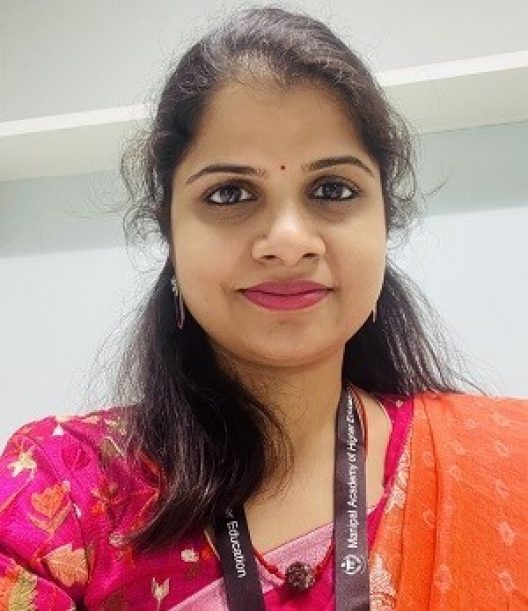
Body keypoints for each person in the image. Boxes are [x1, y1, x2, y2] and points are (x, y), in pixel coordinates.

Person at [1, 6, 526, 610]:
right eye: (230, 193)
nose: (288, 241)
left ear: (385, 222)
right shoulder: (64, 492)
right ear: (170, 234)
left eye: (333, 189)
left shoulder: (507, 462)